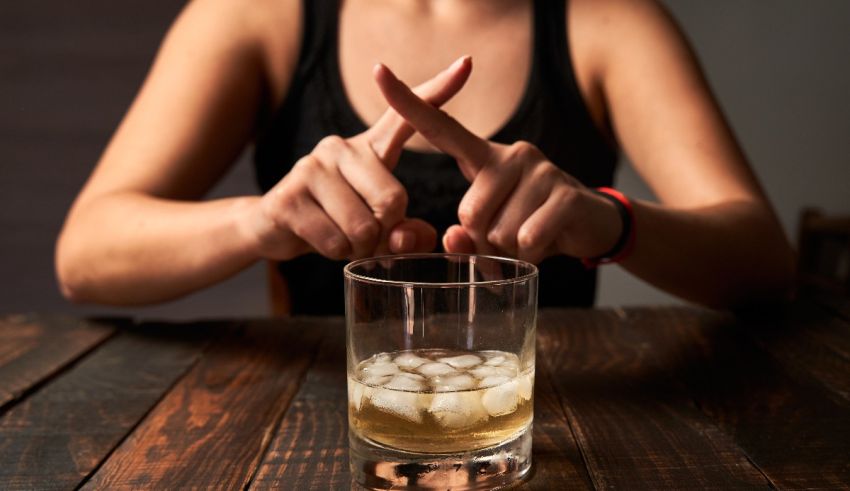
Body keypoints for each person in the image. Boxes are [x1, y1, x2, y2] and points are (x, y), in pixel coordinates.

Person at [55, 0, 795, 315]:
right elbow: (86, 253)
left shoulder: (609, 21)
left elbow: (762, 259)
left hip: (550, 428)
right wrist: (263, 222)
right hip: (315, 425)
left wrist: (608, 223)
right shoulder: (256, 15)